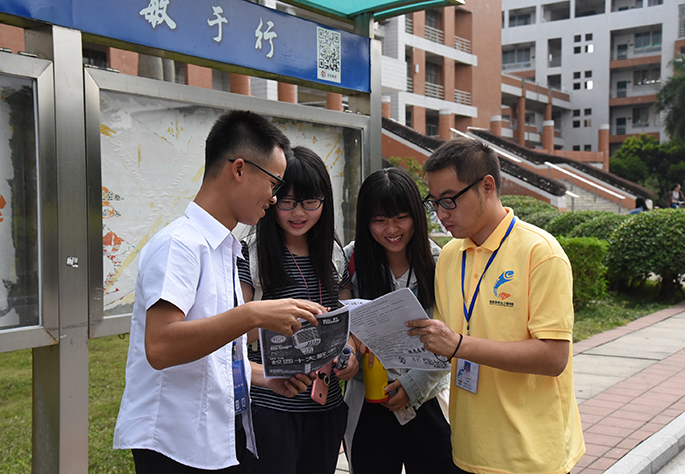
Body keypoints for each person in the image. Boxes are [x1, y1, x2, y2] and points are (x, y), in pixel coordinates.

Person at [113, 110, 326, 473]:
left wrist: (262, 376)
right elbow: (160, 346)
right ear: (239, 169)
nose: (274, 198)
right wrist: (254, 314)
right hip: (173, 443)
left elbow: (213, 348)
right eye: (273, 183)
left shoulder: (223, 248)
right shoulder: (180, 244)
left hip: (211, 438)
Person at [407, 138, 585, 474]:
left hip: (530, 455)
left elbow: (553, 357)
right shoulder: (450, 256)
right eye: (434, 202)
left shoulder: (540, 253)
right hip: (467, 448)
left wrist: (459, 345)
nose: (441, 214)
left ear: (487, 186)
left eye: (449, 200)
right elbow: (445, 344)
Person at [237, 146, 359, 474]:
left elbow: (346, 320)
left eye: (310, 202)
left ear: (325, 202)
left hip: (325, 405)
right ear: (272, 198)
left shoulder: (333, 254)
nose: (299, 213)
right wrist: (278, 320)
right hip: (269, 408)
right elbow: (235, 333)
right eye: (287, 201)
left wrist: (348, 354)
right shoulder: (252, 254)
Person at [343, 168, 457, 474]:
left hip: (429, 399)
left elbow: (452, 337)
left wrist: (412, 386)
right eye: (379, 220)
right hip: (368, 400)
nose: (391, 229)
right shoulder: (351, 260)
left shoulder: (440, 263)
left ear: (416, 216)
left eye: (401, 217)